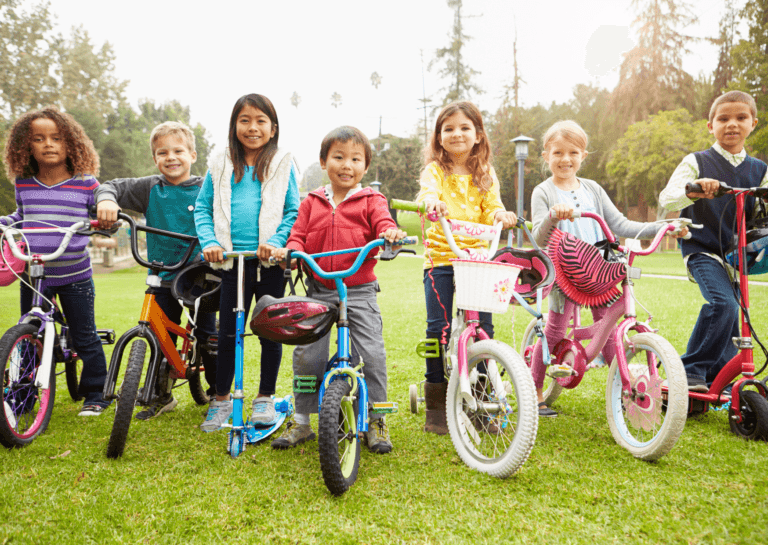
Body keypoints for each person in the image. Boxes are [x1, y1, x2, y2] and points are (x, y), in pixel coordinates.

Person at [530, 120, 686, 417]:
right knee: (554, 329)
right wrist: (552, 216)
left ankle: (625, 389)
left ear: (584, 156)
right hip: (563, 271)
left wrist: (662, 227)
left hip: (599, 269)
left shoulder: (593, 189)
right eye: (558, 152)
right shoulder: (543, 191)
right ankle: (534, 388)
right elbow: (538, 236)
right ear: (546, 156)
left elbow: (621, 225)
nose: (566, 159)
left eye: (573, 152)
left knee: (611, 329)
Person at [269, 126, 406, 454]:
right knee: (307, 356)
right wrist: (289, 250)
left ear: (366, 166)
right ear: (323, 161)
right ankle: (301, 421)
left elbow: (383, 223)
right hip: (318, 289)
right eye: (339, 157)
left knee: (371, 355)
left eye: (356, 159)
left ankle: (376, 418)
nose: (347, 165)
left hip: (359, 291)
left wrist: (389, 233)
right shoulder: (312, 202)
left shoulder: (372, 199)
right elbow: (298, 235)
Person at [95, 121, 218, 419]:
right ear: (154, 158)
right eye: (163, 152)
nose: (171, 157)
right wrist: (108, 200)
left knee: (208, 334)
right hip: (162, 273)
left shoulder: (206, 188)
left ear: (192, 155)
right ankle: (161, 393)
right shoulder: (149, 187)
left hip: (200, 274)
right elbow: (110, 186)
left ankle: (218, 393)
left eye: (178, 151)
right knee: (160, 332)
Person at [194, 93, 300, 432]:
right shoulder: (221, 162)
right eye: (245, 120)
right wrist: (210, 242)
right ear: (234, 125)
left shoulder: (282, 162)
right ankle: (221, 399)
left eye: (260, 121)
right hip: (231, 263)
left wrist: (277, 242)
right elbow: (202, 209)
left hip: (268, 264)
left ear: (273, 128)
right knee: (228, 332)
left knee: (270, 330)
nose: (252, 127)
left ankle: (265, 397)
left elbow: (293, 211)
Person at [415, 101, 518, 435]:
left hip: (477, 259)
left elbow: (492, 207)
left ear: (477, 135)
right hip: (442, 259)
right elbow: (427, 194)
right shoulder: (435, 172)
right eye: (448, 129)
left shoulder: (485, 174)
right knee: (437, 328)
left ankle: (484, 395)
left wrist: (500, 215)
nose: (456, 134)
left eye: (464, 128)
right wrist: (432, 203)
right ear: (439, 137)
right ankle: (435, 395)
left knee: (483, 328)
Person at [1, 106, 110, 416]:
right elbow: (23, 217)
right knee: (29, 334)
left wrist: (105, 217)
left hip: (75, 274)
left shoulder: (85, 183)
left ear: (70, 143)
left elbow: (102, 212)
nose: (48, 144)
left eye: (56, 138)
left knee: (84, 335)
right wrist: (5, 221)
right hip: (35, 274)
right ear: (26, 146)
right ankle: (23, 395)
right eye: (38, 138)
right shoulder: (24, 183)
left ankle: (95, 395)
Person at [660, 90, 767, 393]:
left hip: (737, 254)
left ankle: (717, 378)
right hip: (702, 248)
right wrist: (693, 190)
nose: (732, 124)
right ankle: (690, 370)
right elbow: (667, 199)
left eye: (740, 118)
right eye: (723, 118)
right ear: (710, 126)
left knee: (736, 315)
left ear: (753, 123)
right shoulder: (697, 161)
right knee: (724, 304)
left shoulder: (759, 170)